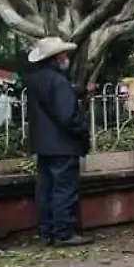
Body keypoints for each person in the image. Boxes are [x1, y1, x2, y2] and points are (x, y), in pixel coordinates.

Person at [24, 37, 93, 246]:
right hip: (63, 145)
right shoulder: (59, 81)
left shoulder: (35, 80)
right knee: (64, 189)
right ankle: (64, 232)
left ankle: (47, 233)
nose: (66, 58)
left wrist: (80, 90)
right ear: (57, 57)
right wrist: (82, 130)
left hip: (43, 145)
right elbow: (66, 116)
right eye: (63, 54)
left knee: (45, 190)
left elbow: (54, 99)